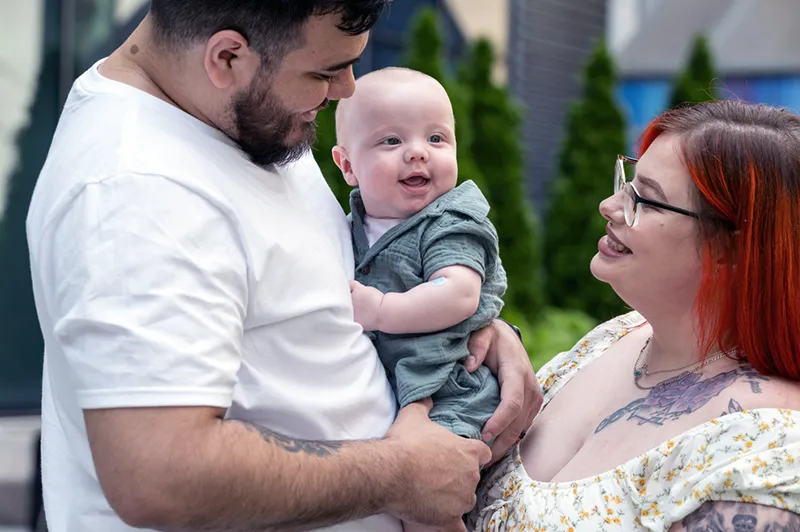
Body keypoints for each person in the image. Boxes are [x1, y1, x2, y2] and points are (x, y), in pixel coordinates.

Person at [24, 2, 542, 532]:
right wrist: (401, 476)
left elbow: (313, 295)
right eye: (324, 72)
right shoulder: (136, 190)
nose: (345, 89)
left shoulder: (229, 117)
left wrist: (467, 325)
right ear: (227, 57)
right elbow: (160, 473)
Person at [468, 100, 800, 531]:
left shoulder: (767, 451)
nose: (610, 205)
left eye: (646, 199)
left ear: (733, 249)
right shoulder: (613, 339)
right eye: (628, 181)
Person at [333, 68, 505, 530]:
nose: (417, 152)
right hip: (403, 386)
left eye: (436, 138)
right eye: (391, 141)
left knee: (428, 497)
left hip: (451, 386)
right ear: (347, 165)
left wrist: (382, 311)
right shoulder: (351, 223)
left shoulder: (449, 220)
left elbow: (459, 293)